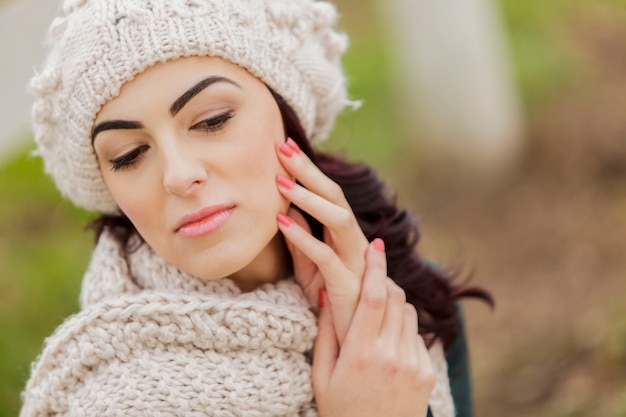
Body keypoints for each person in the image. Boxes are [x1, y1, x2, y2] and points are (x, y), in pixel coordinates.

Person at [21, 0, 492, 415]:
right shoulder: (113, 398)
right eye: (128, 155)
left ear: (286, 113)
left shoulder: (410, 299)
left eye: (212, 120)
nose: (179, 175)